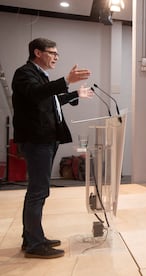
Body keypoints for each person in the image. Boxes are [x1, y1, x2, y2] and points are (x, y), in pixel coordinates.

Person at [12, 38, 93, 259]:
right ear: (37, 53)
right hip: (37, 140)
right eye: (52, 53)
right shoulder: (24, 73)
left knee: (39, 191)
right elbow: (37, 94)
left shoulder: (40, 76)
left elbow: (51, 100)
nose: (56, 57)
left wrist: (76, 94)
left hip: (47, 139)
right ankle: (35, 244)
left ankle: (32, 237)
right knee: (38, 191)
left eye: (57, 53)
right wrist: (67, 80)